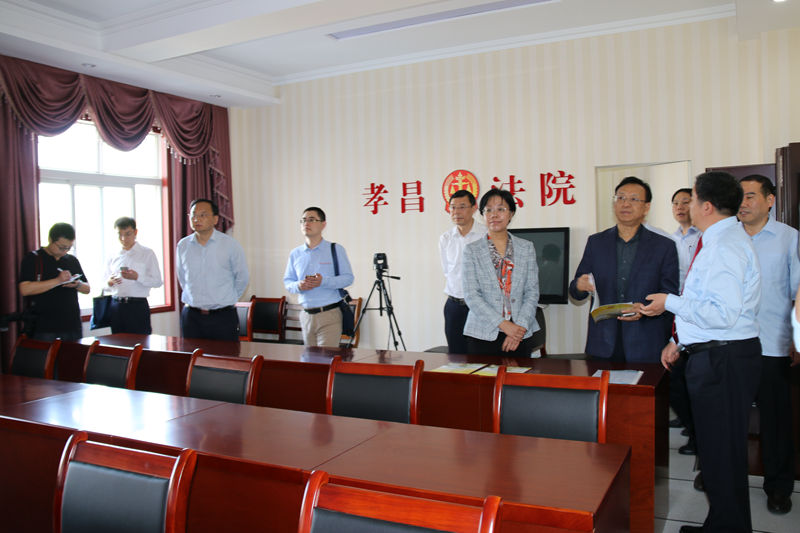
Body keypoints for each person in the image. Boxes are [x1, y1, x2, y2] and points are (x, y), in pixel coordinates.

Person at [642, 171, 761, 533]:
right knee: (718, 452)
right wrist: (679, 341)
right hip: (718, 353)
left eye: (692, 199)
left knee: (721, 453)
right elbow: (707, 305)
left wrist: (669, 302)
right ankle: (723, 524)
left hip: (723, 359)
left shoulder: (724, 247)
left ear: (706, 206)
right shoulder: (718, 241)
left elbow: (722, 314)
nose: (688, 206)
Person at [737, 174, 799, 514]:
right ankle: (722, 476)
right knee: (729, 418)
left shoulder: (789, 238)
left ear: (770, 200)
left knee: (776, 421)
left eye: (750, 196)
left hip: (773, 344)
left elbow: (799, 292)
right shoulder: (727, 237)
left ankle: (778, 486)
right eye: (740, 197)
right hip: (731, 344)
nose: (743, 203)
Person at [569, 176, 679, 363]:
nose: (625, 204)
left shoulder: (664, 246)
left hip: (646, 341)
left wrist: (644, 311)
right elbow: (575, 291)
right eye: (620, 198)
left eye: (634, 199)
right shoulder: (596, 242)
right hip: (603, 342)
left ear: (646, 207)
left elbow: (669, 295)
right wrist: (579, 286)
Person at [462, 189, 539, 356]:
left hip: (520, 333)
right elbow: (471, 295)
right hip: (483, 333)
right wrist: (504, 325)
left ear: (511, 213)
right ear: (482, 215)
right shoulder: (471, 250)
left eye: (500, 209)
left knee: (518, 373)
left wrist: (518, 328)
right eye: (488, 210)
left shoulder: (526, 247)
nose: (494, 215)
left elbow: (532, 292)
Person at [176, 199, 249, 341]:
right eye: (193, 215)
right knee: (192, 355)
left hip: (223, 317)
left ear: (215, 219)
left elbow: (242, 278)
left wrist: (227, 299)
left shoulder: (230, 245)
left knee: (226, 355)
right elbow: (183, 278)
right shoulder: (183, 246)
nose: (196, 219)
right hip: (192, 317)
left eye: (203, 215)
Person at [284, 207, 354, 347]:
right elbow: (288, 282)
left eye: (311, 220)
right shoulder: (295, 253)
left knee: (326, 357)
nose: (306, 223)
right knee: (310, 359)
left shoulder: (335, 249)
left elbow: (348, 278)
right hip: (306, 315)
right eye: (303, 220)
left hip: (329, 314)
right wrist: (299, 285)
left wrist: (323, 281)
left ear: (323, 224)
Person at [668, 187, 702, 456]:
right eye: (676, 203)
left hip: (697, 315)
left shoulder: (704, 237)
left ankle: (695, 433)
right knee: (675, 376)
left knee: (689, 377)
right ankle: (687, 420)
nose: (680, 207)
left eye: (686, 202)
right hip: (673, 311)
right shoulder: (669, 240)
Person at [19, 222, 91, 341]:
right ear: (50, 239)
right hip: (44, 327)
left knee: (74, 353)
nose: (65, 251)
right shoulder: (34, 258)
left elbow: (87, 289)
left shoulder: (71, 260)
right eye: (61, 247)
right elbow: (25, 289)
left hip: (72, 325)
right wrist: (58, 280)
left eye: (68, 248)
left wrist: (77, 284)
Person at [439, 190, 486, 354]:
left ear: (474, 208)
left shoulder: (486, 235)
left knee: (481, 355)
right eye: (453, 207)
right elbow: (447, 270)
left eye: (462, 207)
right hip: (454, 305)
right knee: (456, 356)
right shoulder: (445, 238)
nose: (456, 212)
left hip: (481, 306)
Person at [103, 217, 163, 335]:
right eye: (119, 234)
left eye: (127, 234)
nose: (123, 238)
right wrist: (109, 282)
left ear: (135, 232)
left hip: (137, 306)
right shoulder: (113, 254)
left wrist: (137, 277)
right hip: (116, 306)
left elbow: (157, 282)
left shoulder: (147, 253)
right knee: (117, 343)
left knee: (141, 342)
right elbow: (102, 283)